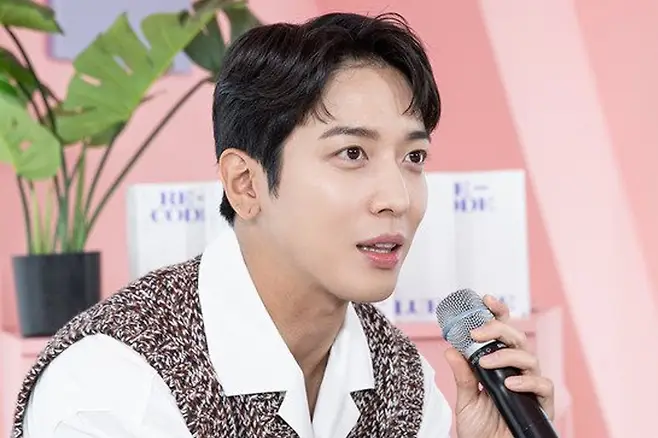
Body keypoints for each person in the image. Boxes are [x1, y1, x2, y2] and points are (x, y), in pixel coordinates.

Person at [15, 11, 554, 438]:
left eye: (413, 157)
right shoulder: (112, 386)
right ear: (246, 184)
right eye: (351, 153)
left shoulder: (401, 379)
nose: (397, 198)